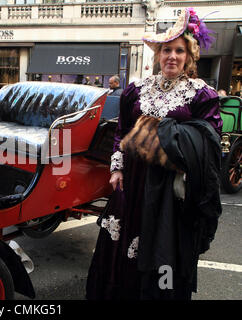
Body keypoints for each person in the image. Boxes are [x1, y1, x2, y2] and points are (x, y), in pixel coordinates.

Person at [86, 8, 222, 300]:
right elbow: (121, 131)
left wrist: (168, 143)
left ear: (190, 56)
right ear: (158, 55)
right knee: (121, 242)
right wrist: (117, 168)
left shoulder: (202, 95)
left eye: (179, 51)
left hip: (168, 191)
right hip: (132, 183)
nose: (172, 56)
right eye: (166, 50)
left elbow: (208, 144)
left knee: (162, 246)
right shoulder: (136, 90)